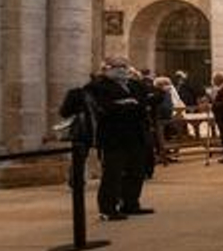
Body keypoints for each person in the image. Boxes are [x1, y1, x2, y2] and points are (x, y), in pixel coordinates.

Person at [60, 56, 162, 220]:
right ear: (106, 68)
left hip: (137, 134)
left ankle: (130, 203)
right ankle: (107, 209)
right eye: (117, 66)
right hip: (114, 136)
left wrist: (131, 104)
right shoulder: (98, 86)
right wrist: (130, 105)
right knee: (113, 173)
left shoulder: (134, 84)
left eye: (124, 66)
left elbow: (154, 97)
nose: (122, 69)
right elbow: (104, 108)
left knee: (137, 171)